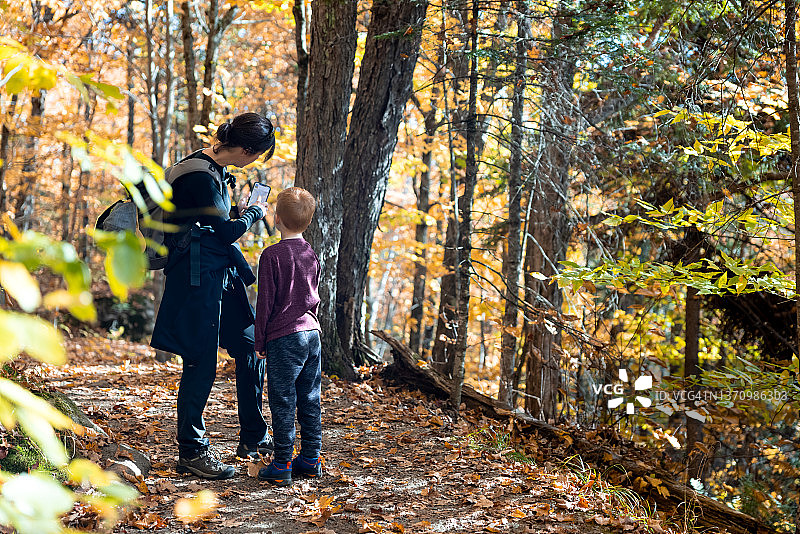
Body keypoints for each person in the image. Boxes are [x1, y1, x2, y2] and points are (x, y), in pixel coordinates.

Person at [151, 112, 275, 479]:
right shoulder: (197, 173)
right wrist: (254, 213)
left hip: (220, 273)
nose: (254, 162)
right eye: (256, 155)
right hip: (196, 278)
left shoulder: (214, 171)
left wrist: (237, 209)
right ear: (246, 149)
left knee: (252, 344)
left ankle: (254, 436)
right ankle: (192, 451)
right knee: (200, 361)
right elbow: (225, 232)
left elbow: (214, 222)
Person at [254, 187, 322, 486]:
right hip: (312, 334)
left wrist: (259, 342)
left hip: (284, 337)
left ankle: (281, 463)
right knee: (309, 398)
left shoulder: (272, 255)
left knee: (283, 400)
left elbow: (265, 302)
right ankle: (310, 458)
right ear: (307, 222)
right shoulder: (311, 253)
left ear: (277, 219)